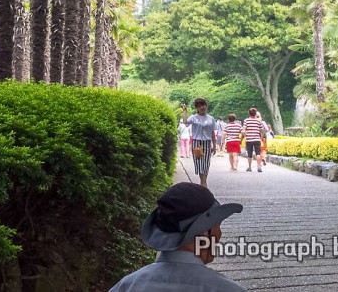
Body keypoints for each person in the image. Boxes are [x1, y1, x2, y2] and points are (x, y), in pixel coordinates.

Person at [109, 182, 246, 291]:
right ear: (205, 233)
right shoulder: (227, 288)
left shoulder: (127, 286)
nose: (219, 234)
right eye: (218, 225)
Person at [181, 99, 217, 186]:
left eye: (203, 105)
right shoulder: (194, 117)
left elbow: (212, 132)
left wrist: (214, 145)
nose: (202, 107)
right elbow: (185, 122)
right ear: (197, 107)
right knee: (200, 164)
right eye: (199, 106)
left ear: (206, 106)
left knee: (206, 164)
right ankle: (204, 184)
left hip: (207, 143)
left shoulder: (211, 118)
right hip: (197, 144)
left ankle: (203, 184)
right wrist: (185, 111)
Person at [242, 107, 265, 172]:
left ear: (249, 113)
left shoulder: (246, 120)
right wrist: (261, 137)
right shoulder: (258, 121)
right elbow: (261, 130)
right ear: (255, 113)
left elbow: (243, 130)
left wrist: (245, 136)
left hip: (249, 139)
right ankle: (259, 167)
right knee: (258, 153)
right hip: (257, 139)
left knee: (249, 154)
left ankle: (249, 167)